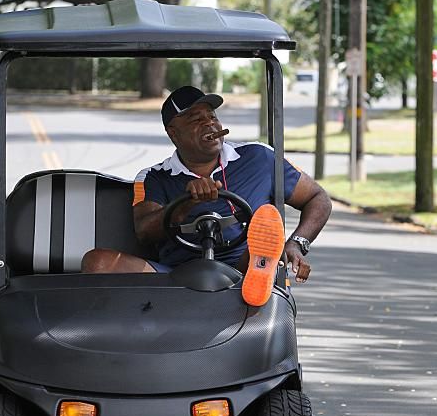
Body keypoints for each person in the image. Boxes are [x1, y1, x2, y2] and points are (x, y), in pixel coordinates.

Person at [82, 85, 332, 300]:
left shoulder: (259, 157)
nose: (209, 123)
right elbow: (145, 232)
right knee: (97, 262)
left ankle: (261, 266)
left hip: (241, 270)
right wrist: (186, 205)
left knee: (255, 253)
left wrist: (297, 243)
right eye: (195, 120)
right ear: (173, 133)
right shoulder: (154, 177)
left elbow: (317, 198)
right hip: (175, 277)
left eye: (212, 116)